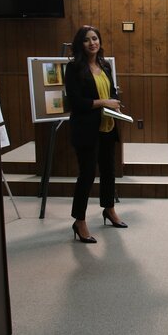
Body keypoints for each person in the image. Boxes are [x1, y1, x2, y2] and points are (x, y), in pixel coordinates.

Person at [65, 25, 128, 244]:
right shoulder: (73, 68)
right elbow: (76, 102)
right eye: (87, 40)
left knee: (109, 171)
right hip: (86, 129)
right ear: (80, 44)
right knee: (87, 175)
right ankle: (79, 221)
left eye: (95, 38)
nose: (92, 43)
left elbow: (111, 92)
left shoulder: (105, 65)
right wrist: (104, 102)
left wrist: (115, 103)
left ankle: (109, 210)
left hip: (107, 126)